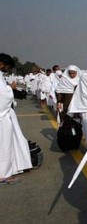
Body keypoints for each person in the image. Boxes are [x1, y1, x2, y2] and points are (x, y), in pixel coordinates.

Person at [0, 53, 32, 184]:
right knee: (4, 145)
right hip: (2, 118)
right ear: (2, 64)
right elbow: (3, 96)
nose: (7, 69)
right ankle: (3, 175)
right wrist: (10, 88)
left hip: (5, 115)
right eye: (7, 66)